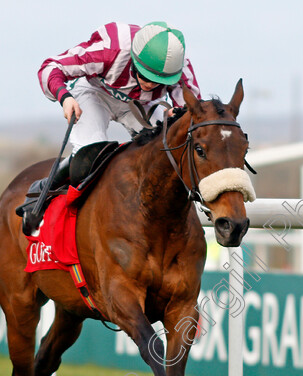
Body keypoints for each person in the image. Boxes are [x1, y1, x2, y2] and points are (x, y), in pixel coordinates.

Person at [17, 21, 202, 224]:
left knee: (170, 149)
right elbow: (50, 67)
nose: (150, 84)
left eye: (159, 81)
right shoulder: (109, 49)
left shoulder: (179, 67)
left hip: (140, 104)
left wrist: (178, 115)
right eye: (146, 75)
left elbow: (194, 113)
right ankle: (43, 190)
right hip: (95, 93)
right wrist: (65, 97)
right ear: (134, 58)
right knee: (91, 152)